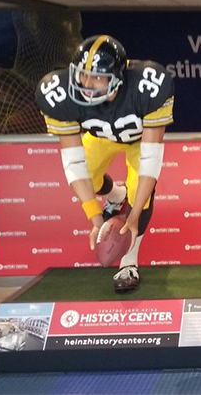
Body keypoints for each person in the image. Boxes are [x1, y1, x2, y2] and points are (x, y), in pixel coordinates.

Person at [35, 35, 174, 292]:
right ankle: (115, 194)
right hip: (100, 138)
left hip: (138, 142)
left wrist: (133, 217)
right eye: (82, 75)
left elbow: (150, 160)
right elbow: (73, 161)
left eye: (97, 78)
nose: (86, 84)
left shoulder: (147, 85)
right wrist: (95, 217)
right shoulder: (59, 92)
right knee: (88, 173)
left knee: (139, 194)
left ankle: (129, 262)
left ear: (118, 78)